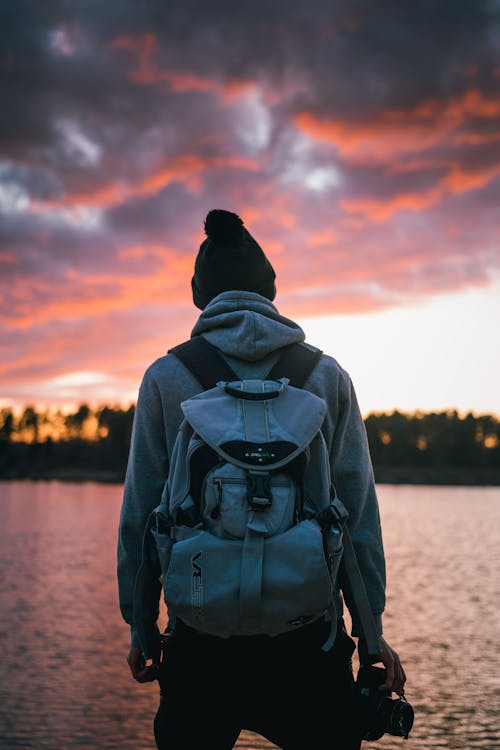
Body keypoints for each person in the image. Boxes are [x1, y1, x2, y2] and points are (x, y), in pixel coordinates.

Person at [117, 209, 406, 749]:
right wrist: (372, 636)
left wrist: (140, 627)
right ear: (270, 290)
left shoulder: (166, 376)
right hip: (308, 649)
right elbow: (358, 515)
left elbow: (142, 514)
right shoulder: (325, 376)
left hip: (199, 646)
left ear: (201, 296)